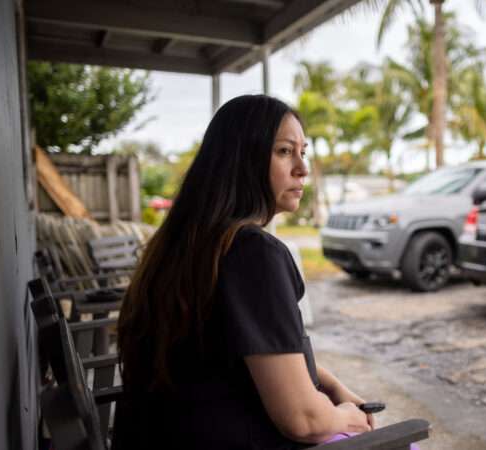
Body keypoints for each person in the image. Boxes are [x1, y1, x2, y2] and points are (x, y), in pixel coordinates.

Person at [113, 95, 374, 449]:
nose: (302, 168)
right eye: (284, 151)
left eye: (303, 151)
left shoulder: (186, 245)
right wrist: (346, 415)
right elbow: (304, 421)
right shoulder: (251, 253)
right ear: (242, 160)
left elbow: (234, 358)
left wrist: (327, 383)